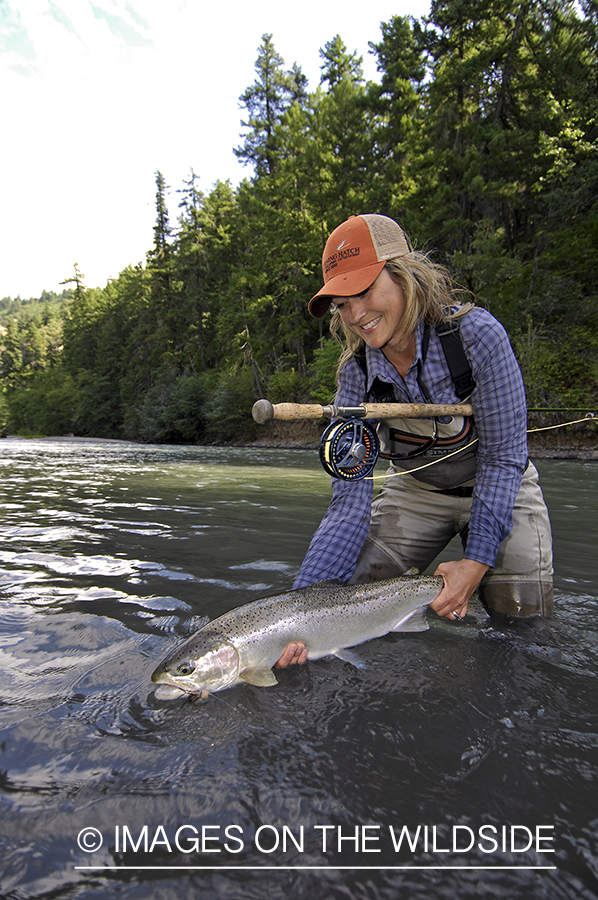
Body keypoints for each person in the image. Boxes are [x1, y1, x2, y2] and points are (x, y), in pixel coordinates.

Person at [275, 213, 553, 669]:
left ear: (404, 274)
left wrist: (476, 562)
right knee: (354, 598)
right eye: (342, 303)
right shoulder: (355, 375)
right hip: (416, 492)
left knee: (524, 630)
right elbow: (349, 502)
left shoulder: (478, 337)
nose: (356, 314)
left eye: (364, 291)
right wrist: (301, 614)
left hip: (505, 485)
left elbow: (504, 461)